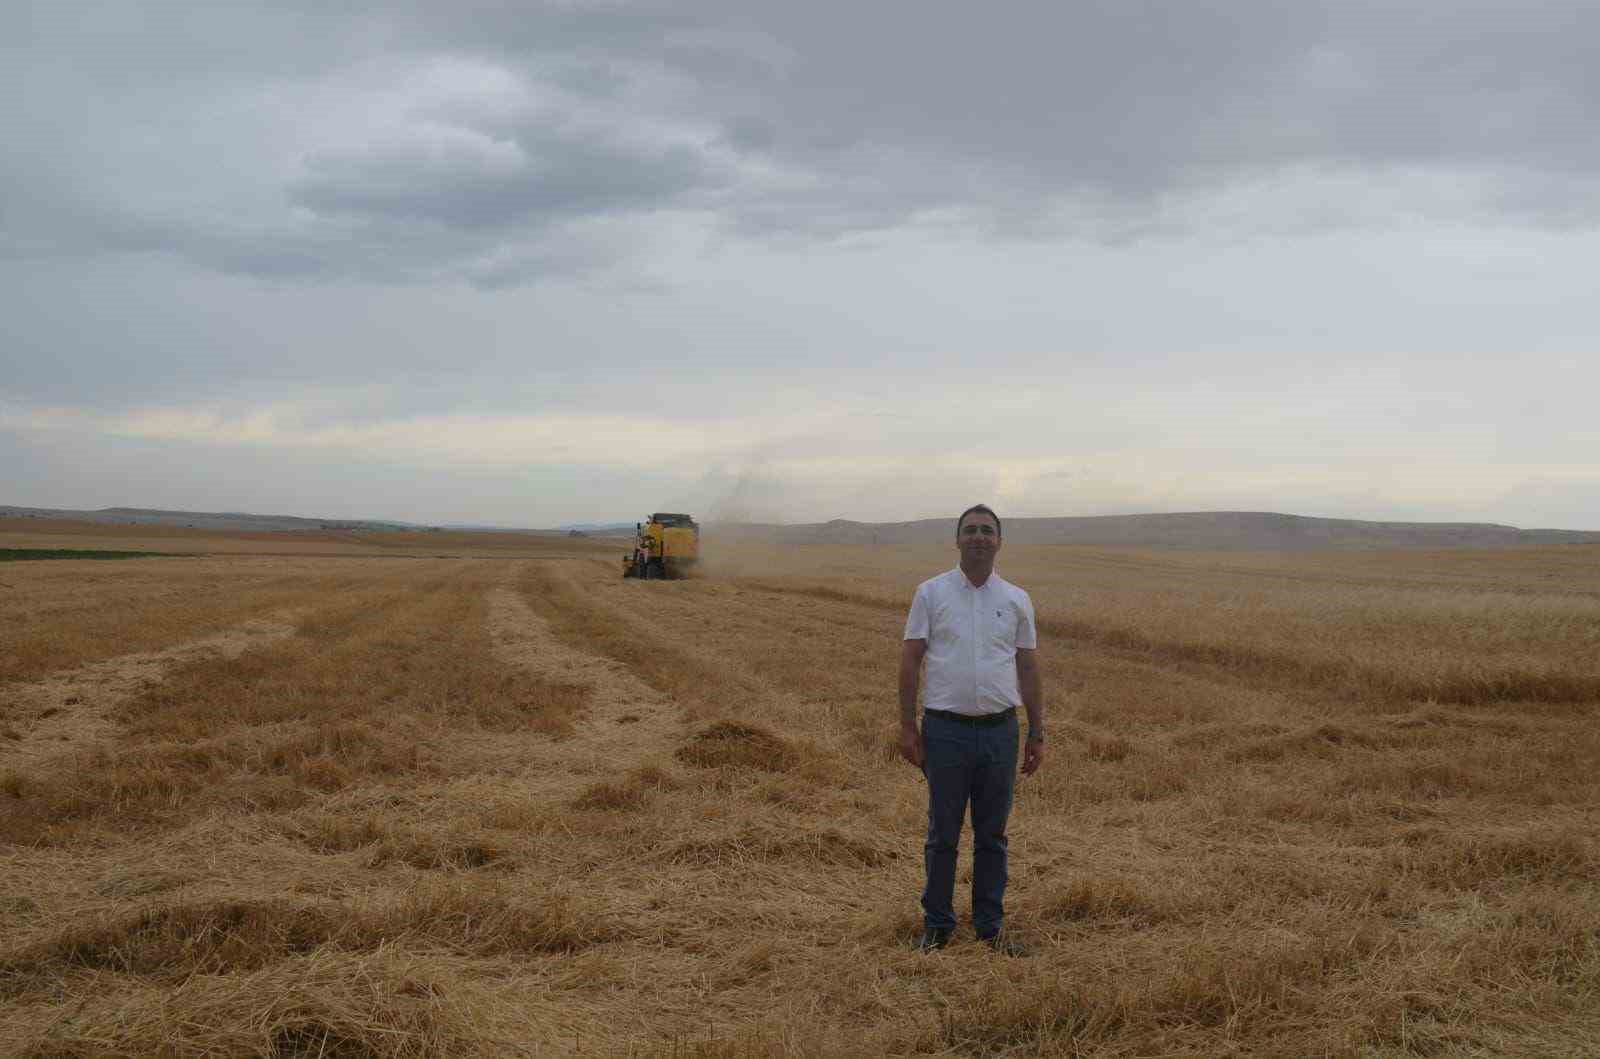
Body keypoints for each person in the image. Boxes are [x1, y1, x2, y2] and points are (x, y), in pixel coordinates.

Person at [898, 503, 1044, 955]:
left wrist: (1037, 731)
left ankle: (989, 926)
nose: (979, 537)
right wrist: (908, 727)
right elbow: (910, 659)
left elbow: (1028, 667)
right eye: (971, 530)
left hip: (1001, 732)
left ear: (999, 541)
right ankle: (937, 926)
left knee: (993, 835)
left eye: (987, 531)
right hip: (945, 731)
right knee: (943, 833)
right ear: (957, 540)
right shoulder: (931, 593)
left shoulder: (1016, 599)